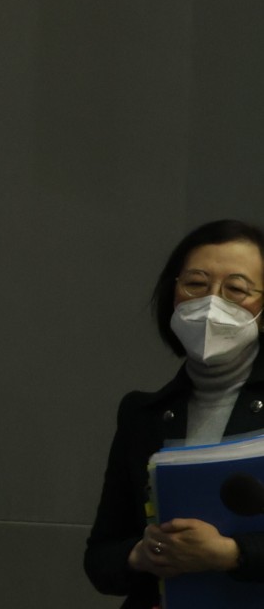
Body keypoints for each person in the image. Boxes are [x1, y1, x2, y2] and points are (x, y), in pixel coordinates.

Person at [85, 219, 264, 607]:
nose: (212, 302)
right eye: (196, 284)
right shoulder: (142, 414)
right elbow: (101, 558)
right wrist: (142, 553)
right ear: (174, 293)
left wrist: (233, 553)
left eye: (236, 289)